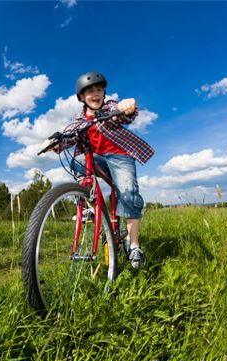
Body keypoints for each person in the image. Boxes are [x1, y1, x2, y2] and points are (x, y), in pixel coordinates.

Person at [55, 71, 154, 269]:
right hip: (96, 159)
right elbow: (67, 137)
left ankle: (134, 245)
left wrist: (127, 106)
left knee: (128, 192)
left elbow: (124, 113)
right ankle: (88, 206)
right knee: (77, 160)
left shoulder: (110, 107)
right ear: (81, 97)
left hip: (119, 157)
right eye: (89, 91)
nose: (95, 94)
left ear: (104, 92)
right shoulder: (78, 120)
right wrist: (54, 142)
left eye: (98, 89)